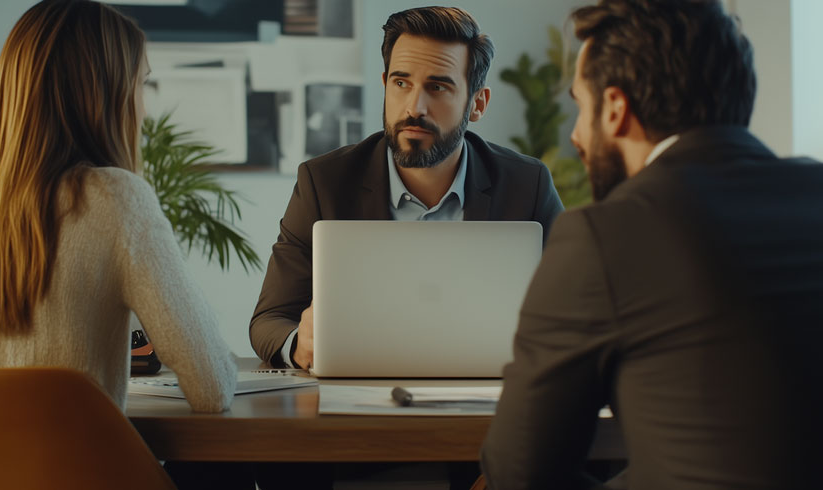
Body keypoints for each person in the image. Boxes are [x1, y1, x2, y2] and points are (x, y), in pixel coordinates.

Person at [481, 0, 823, 489]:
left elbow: (519, 471)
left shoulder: (605, 234)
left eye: (581, 105)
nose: (577, 134)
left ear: (616, 109)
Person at [0, 0, 237, 414]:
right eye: (142, 85)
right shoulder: (115, 199)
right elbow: (213, 386)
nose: (144, 108)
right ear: (107, 93)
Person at [249, 6, 563, 371]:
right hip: (357, 401)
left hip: (488, 403)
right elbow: (269, 320)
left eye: (438, 87)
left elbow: (579, 312)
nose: (415, 107)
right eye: (401, 83)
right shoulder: (324, 182)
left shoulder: (528, 184)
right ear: (385, 85)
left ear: (477, 103)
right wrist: (299, 345)